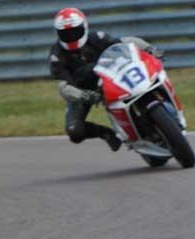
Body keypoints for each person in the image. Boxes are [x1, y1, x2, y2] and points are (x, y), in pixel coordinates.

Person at [50, 7, 163, 151]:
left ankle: (149, 121)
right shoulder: (56, 55)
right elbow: (64, 87)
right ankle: (106, 133)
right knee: (74, 131)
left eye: (74, 31)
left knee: (141, 86)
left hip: (111, 78)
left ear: (84, 27)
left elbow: (125, 43)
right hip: (81, 91)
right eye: (66, 33)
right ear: (58, 33)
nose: (71, 36)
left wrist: (149, 48)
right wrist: (86, 96)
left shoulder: (97, 37)